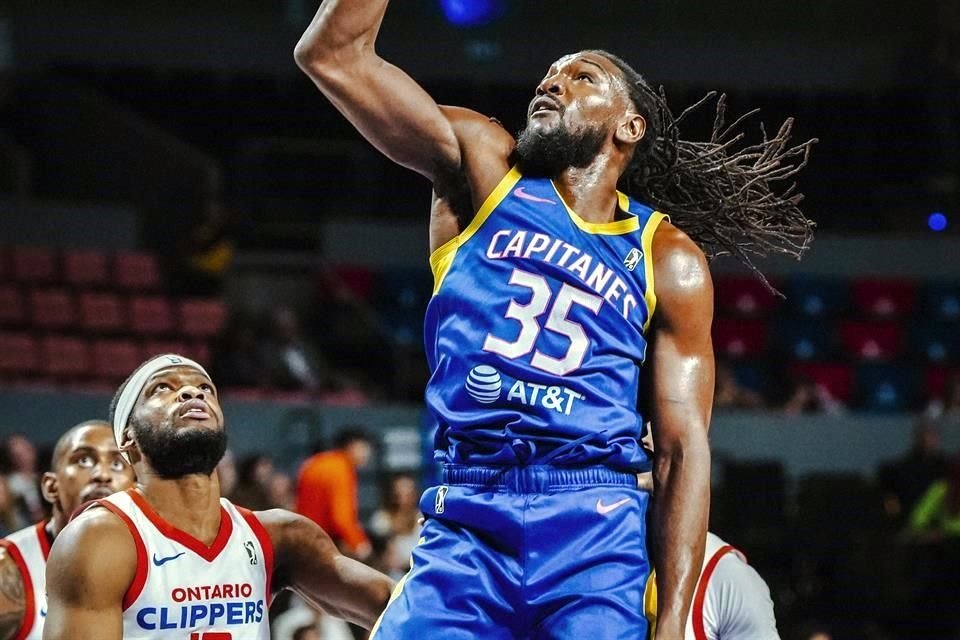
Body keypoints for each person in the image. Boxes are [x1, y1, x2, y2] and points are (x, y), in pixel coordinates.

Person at [295, 3, 813, 637]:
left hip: (595, 526)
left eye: (581, 76)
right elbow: (332, 55)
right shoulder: (484, 168)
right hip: (467, 515)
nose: (551, 83)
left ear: (630, 125)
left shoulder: (667, 258)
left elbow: (682, 450)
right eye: (547, 75)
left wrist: (673, 619)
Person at [42, 354, 393, 640]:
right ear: (128, 438)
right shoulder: (99, 539)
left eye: (204, 388)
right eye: (162, 388)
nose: (192, 394)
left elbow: (396, 607)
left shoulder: (282, 536)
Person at [0, 420, 135, 640]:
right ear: (51, 486)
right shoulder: (8, 570)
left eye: (117, 464)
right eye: (83, 460)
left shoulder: (160, 559)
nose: (102, 474)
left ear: (134, 488)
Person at [296, 428, 374, 561]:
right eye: (364, 448)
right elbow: (341, 518)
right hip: (321, 544)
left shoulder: (313, 463)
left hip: (301, 539)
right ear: (352, 446)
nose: (368, 454)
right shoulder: (341, 468)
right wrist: (360, 545)